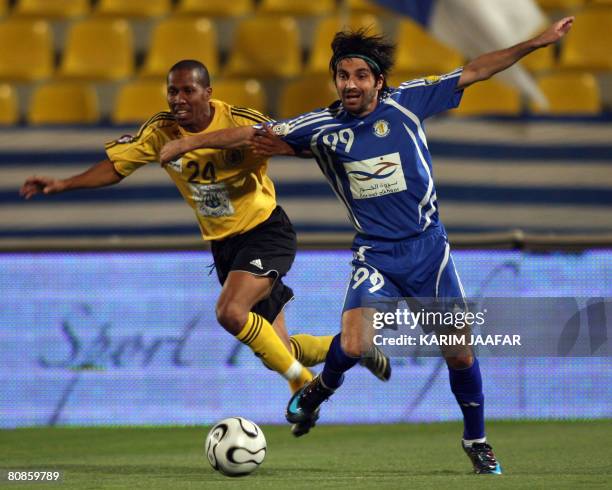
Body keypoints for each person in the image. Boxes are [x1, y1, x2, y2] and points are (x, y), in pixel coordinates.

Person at [158, 16, 574, 474]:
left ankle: (476, 439)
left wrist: (538, 42)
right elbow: (253, 134)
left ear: (378, 80)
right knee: (354, 344)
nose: (350, 84)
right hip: (375, 254)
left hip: (429, 252)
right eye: (342, 76)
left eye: (360, 75)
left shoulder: (409, 103)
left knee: (459, 352)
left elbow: (478, 69)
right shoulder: (319, 126)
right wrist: (192, 143)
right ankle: (320, 388)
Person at [19, 59, 391, 436]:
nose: (178, 99)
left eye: (188, 91)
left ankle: (301, 383)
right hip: (225, 248)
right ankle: (349, 348)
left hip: (265, 232)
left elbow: (289, 140)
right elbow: (117, 167)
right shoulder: (160, 131)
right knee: (280, 351)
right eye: (172, 91)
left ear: (208, 93)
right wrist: (63, 184)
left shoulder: (238, 120)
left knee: (230, 312)